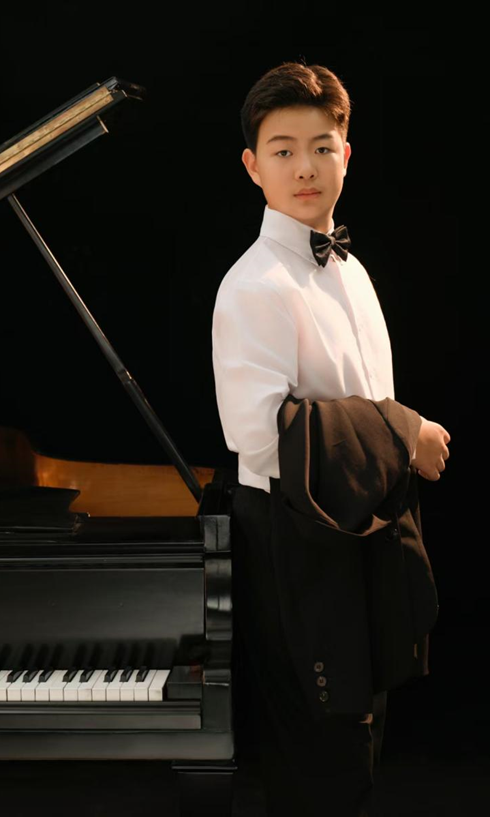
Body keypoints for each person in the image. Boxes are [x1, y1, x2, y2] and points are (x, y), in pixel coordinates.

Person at [211, 61, 450, 817]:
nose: (305, 167)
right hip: (296, 540)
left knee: (361, 747)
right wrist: (404, 431)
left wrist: (391, 433)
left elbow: (361, 399)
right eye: (282, 150)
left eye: (321, 147)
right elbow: (258, 433)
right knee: (318, 762)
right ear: (253, 166)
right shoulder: (251, 285)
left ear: (347, 154)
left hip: (362, 531)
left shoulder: (353, 270)